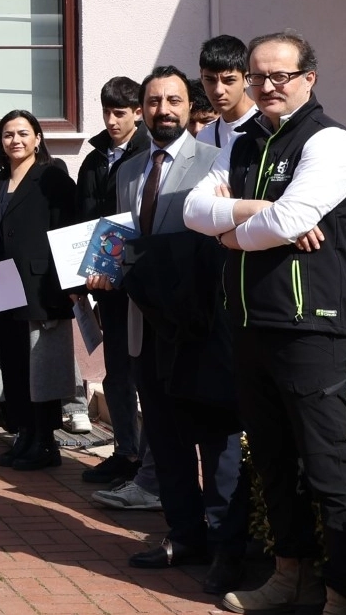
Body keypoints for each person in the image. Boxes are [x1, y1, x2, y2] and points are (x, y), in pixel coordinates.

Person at [185, 31, 346, 615]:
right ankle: (289, 578)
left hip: (310, 330)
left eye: (281, 75)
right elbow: (193, 210)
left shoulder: (327, 141)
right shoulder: (244, 142)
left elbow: (294, 218)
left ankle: (338, 592)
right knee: (274, 466)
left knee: (329, 469)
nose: (267, 85)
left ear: (309, 78)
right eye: (258, 76)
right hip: (251, 327)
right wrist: (261, 214)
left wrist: (233, 234)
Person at [91, 68, 247, 595]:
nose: (163, 109)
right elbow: (124, 239)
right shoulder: (128, 170)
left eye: (173, 100)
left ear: (188, 105)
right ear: (142, 110)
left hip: (198, 328)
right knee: (164, 436)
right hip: (144, 325)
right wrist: (104, 268)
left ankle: (226, 547)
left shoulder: (217, 160)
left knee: (216, 442)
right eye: (154, 101)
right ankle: (184, 535)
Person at [0, 110, 78, 471]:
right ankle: (25, 434)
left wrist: (70, 283)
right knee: (13, 364)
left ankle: (45, 442)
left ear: (37, 139)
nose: (15, 140)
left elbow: (69, 227)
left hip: (40, 287)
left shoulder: (52, 177)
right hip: (0, 285)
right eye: (8, 135)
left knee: (39, 367)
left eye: (22, 133)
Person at [78, 77, 151, 481]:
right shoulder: (94, 160)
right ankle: (126, 453)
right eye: (106, 112)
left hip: (142, 282)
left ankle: (152, 462)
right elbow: (80, 222)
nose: (111, 121)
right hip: (104, 283)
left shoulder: (149, 153)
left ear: (138, 112)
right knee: (117, 369)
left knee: (146, 372)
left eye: (119, 113)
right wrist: (79, 279)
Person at [196, 34, 258, 150]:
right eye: (210, 80)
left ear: (247, 79)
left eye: (229, 80)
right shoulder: (205, 137)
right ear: (202, 77)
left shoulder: (268, 124)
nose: (218, 90)